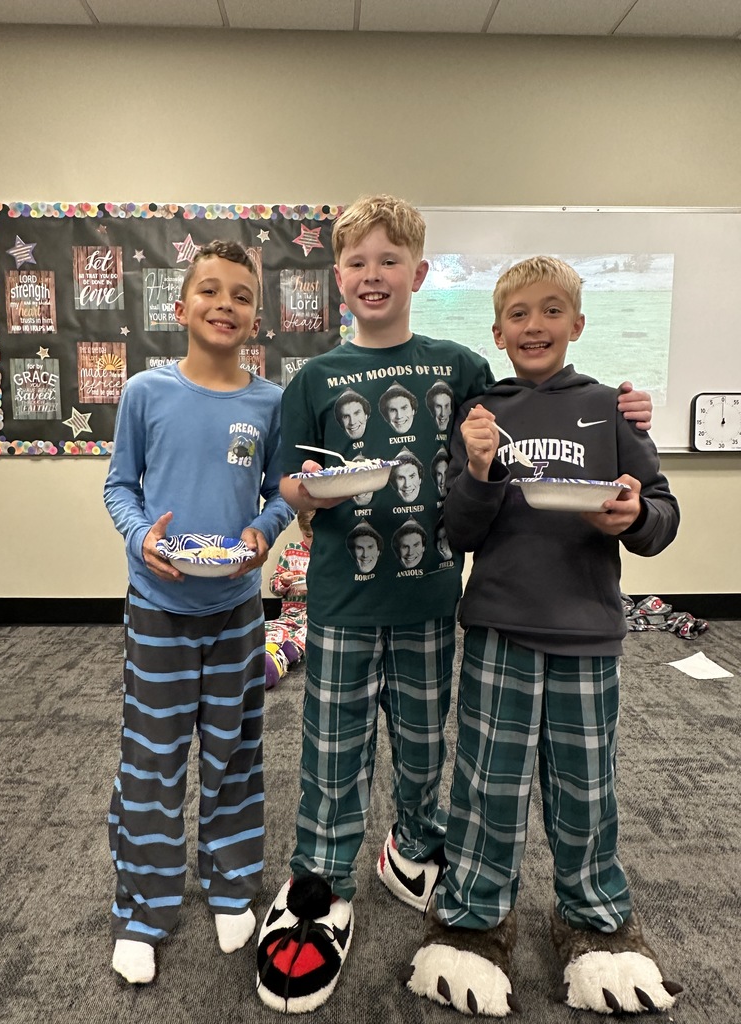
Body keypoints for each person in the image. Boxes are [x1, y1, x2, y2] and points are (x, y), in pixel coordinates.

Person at [254, 196, 654, 1014]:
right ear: (338, 279)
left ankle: (416, 847)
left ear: (420, 274)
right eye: (358, 262)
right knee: (332, 749)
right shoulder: (316, 378)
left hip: (436, 598)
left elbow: (527, 407)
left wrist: (627, 410)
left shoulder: (461, 367)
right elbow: (287, 481)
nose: (374, 275)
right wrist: (303, 495)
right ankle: (319, 887)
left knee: (429, 748)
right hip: (338, 598)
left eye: (389, 260)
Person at [405, 256, 682, 1017]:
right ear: (496, 330)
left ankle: (594, 920)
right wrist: (482, 470)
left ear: (578, 324)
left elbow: (660, 512)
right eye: (519, 314)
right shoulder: (482, 415)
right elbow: (454, 531)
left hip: (590, 633)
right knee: (486, 787)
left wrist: (636, 518)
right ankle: (471, 920)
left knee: (584, 792)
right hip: (497, 627)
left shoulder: (610, 408)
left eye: (552, 310)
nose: (535, 325)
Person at [103, 240, 292, 986]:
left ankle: (229, 882)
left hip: (237, 609)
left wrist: (262, 533)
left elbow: (280, 494)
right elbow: (120, 487)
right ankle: (144, 907)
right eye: (209, 291)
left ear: (257, 317)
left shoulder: (269, 403)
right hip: (158, 609)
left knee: (235, 752)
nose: (225, 304)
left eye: (241, 295)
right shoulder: (146, 393)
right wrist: (140, 534)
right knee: (152, 761)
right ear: (179, 309)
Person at [264, 511, 314, 689]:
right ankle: (271, 652)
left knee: (312, 633)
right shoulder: (290, 551)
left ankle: (284, 657)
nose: (312, 542)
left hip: (317, 617)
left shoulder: (332, 553)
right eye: (308, 536)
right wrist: (283, 581)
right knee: (262, 630)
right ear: (301, 530)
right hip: (290, 617)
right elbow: (274, 587)